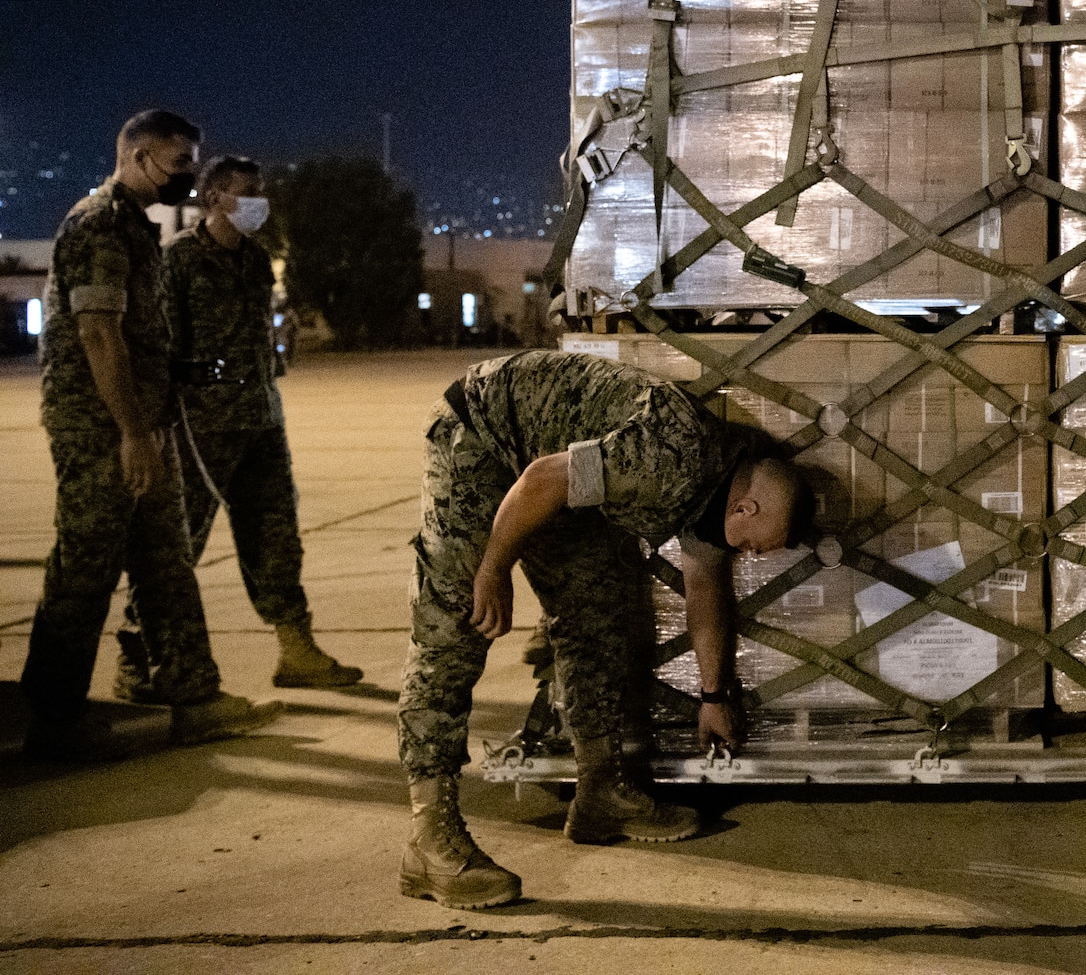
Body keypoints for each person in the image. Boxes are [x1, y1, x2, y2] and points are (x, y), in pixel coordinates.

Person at [398, 348, 817, 910]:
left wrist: (714, 697)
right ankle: (429, 841)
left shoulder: (717, 487)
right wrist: (495, 566)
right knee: (456, 625)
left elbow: (706, 591)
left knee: (597, 615)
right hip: (481, 436)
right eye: (763, 539)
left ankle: (600, 792)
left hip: (546, 468)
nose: (759, 553)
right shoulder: (675, 458)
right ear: (745, 508)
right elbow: (542, 477)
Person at [24, 110, 281, 760]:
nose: (187, 177)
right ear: (138, 157)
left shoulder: (136, 227)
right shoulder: (98, 224)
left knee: (166, 562)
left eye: (193, 164)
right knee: (85, 568)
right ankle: (53, 719)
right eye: (178, 164)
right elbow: (98, 332)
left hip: (144, 424)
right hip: (100, 427)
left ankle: (194, 696)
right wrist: (133, 432)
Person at [117, 156, 361, 699]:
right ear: (212, 199)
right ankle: (137, 656)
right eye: (247, 192)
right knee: (177, 545)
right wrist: (155, 428)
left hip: (259, 422)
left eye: (261, 190)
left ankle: (297, 650)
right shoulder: (176, 261)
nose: (258, 202)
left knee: (276, 538)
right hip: (198, 428)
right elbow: (157, 349)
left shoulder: (254, 260)